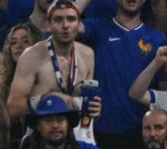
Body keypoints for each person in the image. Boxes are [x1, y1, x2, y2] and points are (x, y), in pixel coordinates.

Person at [80, 0, 167, 149]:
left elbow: (161, 90)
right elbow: (64, 22)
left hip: (143, 136)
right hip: (103, 132)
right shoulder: (97, 27)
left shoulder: (158, 39)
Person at [7, 0, 100, 139]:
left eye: (71, 19)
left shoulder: (87, 55)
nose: (65, 25)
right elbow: (12, 107)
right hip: (40, 139)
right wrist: (46, 99)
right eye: (58, 19)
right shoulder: (32, 56)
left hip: (77, 137)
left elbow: (83, 103)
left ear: (79, 24)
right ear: (49, 25)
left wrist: (94, 109)